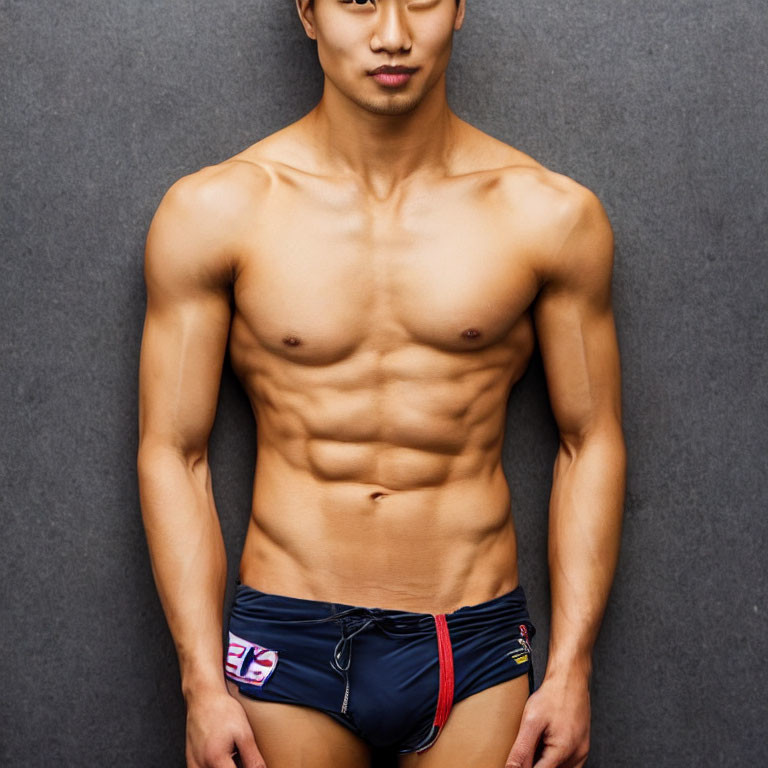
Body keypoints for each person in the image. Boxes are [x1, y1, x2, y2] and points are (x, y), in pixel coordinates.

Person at [137, 1, 626, 767]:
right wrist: (201, 682)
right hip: (289, 634)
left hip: (474, 637)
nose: (393, 33)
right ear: (308, 11)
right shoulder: (218, 211)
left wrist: (572, 670)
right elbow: (174, 450)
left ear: (460, 9)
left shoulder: (547, 215)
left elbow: (588, 440)